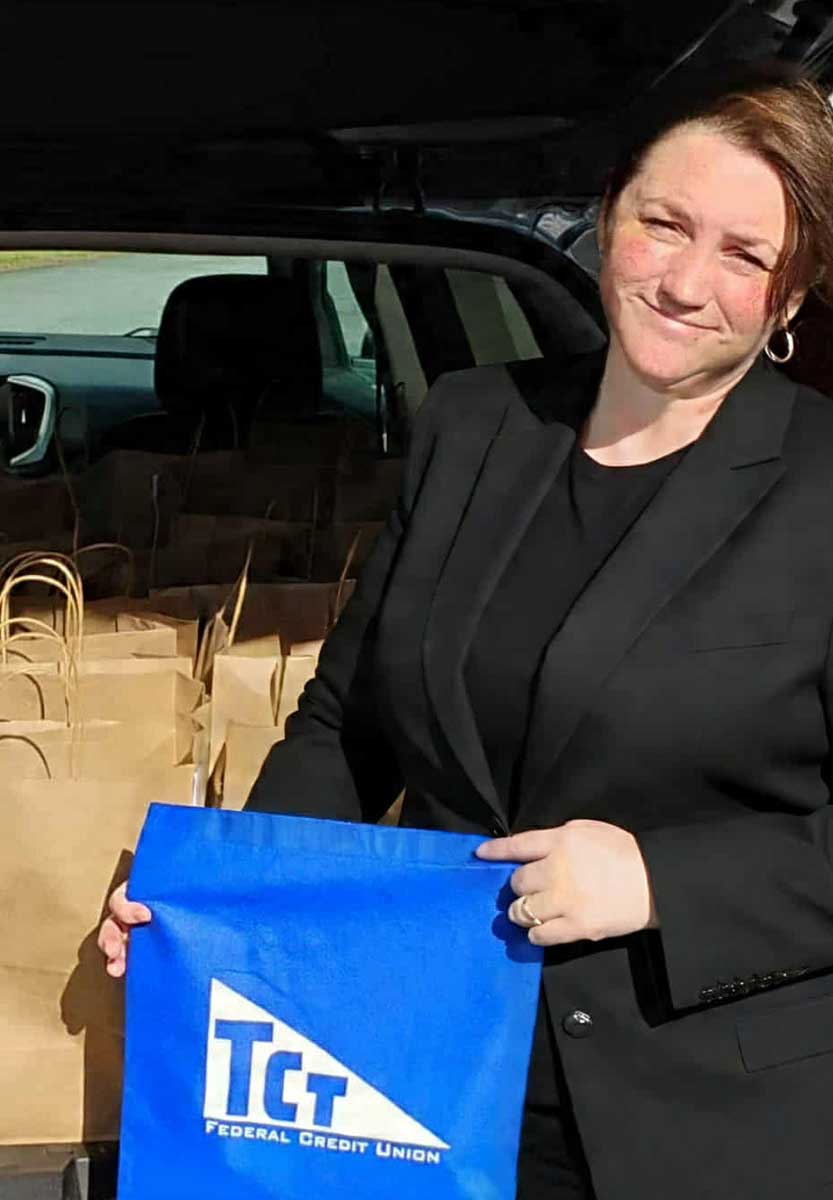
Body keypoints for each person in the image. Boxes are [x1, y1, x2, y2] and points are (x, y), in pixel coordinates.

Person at [101, 63, 833, 1200]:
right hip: (412, 1083)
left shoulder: (818, 486)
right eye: (662, 225)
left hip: (702, 1120)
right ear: (605, 218)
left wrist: (661, 880)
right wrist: (223, 912)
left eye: (744, 256)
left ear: (788, 300)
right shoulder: (477, 421)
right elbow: (348, 727)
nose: (687, 280)